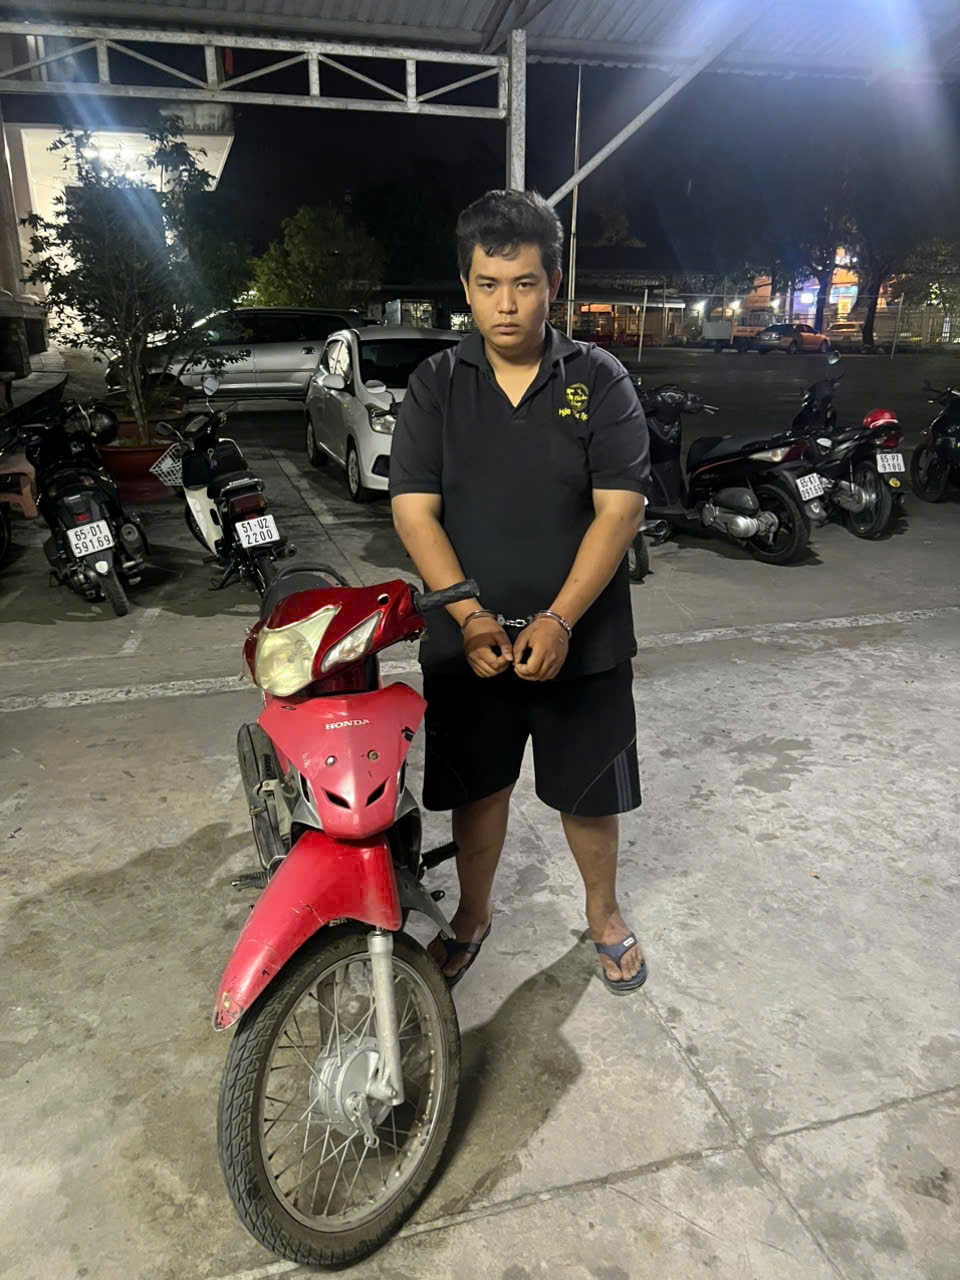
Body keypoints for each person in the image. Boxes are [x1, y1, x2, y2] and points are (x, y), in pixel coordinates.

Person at [389, 189, 650, 995]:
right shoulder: (435, 386)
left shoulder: (598, 378)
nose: (507, 304)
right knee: (478, 788)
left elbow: (620, 509)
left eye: (525, 283)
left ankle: (603, 913)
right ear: (465, 288)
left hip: (584, 638)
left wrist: (562, 618)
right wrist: (469, 616)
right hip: (469, 644)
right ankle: (473, 914)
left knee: (588, 793)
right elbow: (414, 511)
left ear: (554, 283)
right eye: (489, 284)